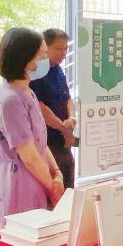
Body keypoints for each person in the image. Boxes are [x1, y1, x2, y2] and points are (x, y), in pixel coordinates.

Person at [0, 28, 66, 237]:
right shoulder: (11, 99)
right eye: (42, 54)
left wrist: (56, 172)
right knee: (22, 237)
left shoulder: (27, 92)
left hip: (37, 175)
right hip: (20, 179)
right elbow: (28, 155)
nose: (46, 59)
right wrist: (52, 187)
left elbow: (40, 142)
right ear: (26, 59)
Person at [29, 28, 76, 188]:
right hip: (46, 142)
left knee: (68, 187)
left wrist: (72, 118)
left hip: (64, 140)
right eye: (58, 48)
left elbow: (68, 98)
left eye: (65, 48)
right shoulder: (35, 73)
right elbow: (40, 108)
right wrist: (65, 129)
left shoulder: (58, 69)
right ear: (45, 48)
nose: (63, 53)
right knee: (54, 188)